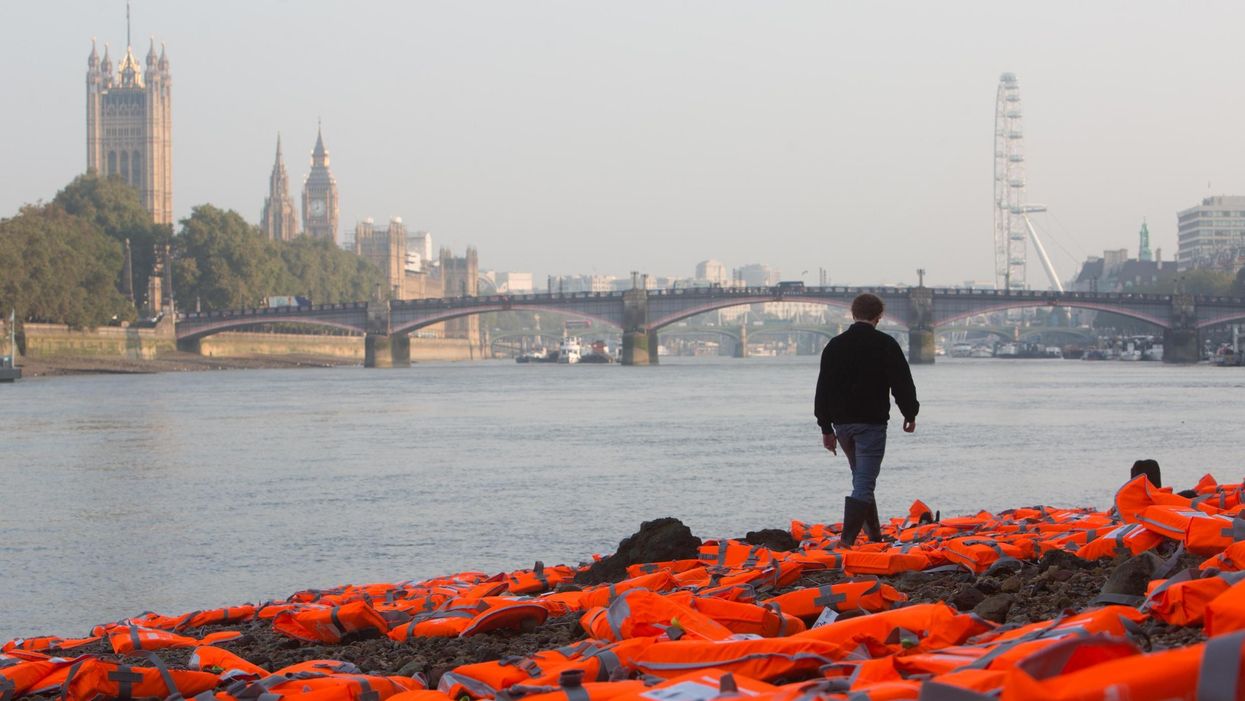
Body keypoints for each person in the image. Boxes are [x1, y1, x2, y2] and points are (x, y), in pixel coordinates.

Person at [814, 293, 919, 546]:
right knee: (864, 482)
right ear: (878, 316)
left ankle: (874, 536)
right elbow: (902, 383)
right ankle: (847, 541)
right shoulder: (885, 344)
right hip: (871, 424)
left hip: (842, 425)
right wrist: (909, 413)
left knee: (861, 478)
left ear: (853, 313)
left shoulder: (835, 345)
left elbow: (823, 389)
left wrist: (826, 428)